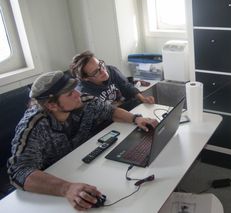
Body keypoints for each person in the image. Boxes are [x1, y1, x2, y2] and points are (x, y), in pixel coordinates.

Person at [7, 71, 158, 211]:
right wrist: (66, 188)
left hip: (79, 166)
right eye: (70, 93)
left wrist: (136, 118)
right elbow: (19, 171)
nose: (78, 93)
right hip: (50, 185)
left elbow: (109, 111)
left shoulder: (83, 101)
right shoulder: (33, 126)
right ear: (52, 105)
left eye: (75, 88)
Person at [69, 50, 155, 110]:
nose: (103, 71)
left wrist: (143, 99)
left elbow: (127, 87)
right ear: (85, 78)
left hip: (124, 108)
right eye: (96, 72)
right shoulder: (83, 93)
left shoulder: (111, 70)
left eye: (100, 64)